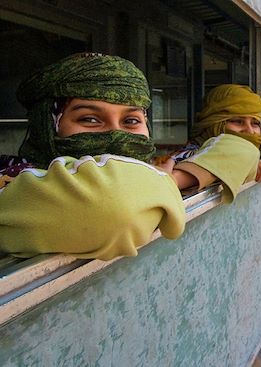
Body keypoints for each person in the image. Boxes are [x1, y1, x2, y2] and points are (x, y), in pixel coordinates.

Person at [0, 53, 185, 260]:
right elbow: (112, 210)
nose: (116, 133)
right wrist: (165, 179)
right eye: (89, 119)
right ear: (48, 126)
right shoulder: (15, 184)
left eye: (131, 121)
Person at [158, 84, 261, 203]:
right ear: (213, 122)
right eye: (237, 121)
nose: (250, 131)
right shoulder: (186, 156)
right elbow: (165, 182)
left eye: (255, 123)